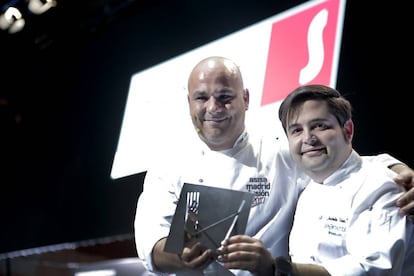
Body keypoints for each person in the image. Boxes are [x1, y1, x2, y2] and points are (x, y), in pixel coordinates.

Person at [134, 56, 414, 275]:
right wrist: (179, 256)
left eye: (225, 97)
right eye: (201, 97)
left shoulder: (280, 151)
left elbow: (345, 165)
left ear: (245, 99)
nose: (213, 107)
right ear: (189, 102)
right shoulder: (166, 168)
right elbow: (150, 244)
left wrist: (399, 170)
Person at [267, 84, 413, 275]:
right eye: (296, 130)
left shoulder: (381, 185)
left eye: (319, 126)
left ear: (348, 130)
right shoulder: (309, 187)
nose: (308, 138)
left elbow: (373, 269)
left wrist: (283, 270)